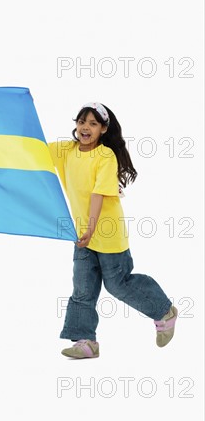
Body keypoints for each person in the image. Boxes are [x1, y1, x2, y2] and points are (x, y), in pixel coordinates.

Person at [48, 102, 177, 359]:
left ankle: (164, 310)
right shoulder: (66, 150)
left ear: (104, 129)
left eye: (93, 123)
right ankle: (86, 342)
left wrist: (91, 228)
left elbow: (98, 195)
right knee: (83, 290)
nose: (85, 127)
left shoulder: (105, 156)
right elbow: (37, 151)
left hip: (107, 233)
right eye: (82, 121)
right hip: (82, 235)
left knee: (118, 285)